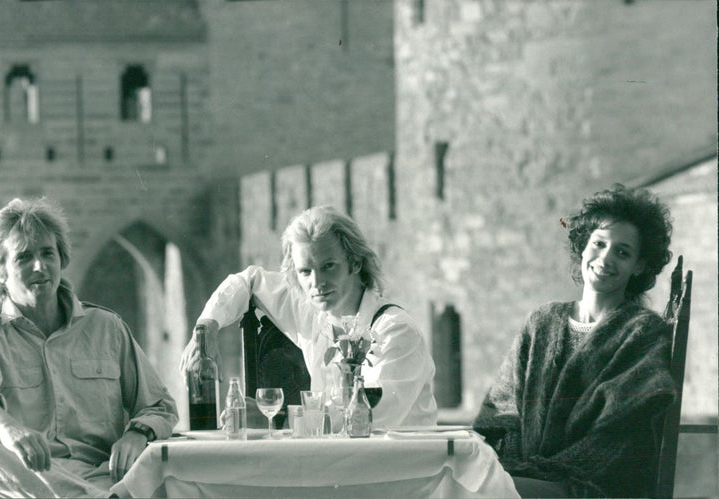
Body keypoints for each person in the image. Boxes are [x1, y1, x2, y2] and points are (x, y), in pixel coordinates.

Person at [0, 197, 178, 498]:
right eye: (23, 257)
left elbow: (160, 405)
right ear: (0, 272)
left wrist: (137, 433)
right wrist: (9, 429)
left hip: (106, 479)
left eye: (47, 254)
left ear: (62, 259)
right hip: (26, 484)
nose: (40, 266)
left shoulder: (107, 328)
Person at [473, 184, 677, 498]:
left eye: (622, 252)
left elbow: (621, 433)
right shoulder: (541, 321)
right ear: (583, 246)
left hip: (593, 487)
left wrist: (540, 474)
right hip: (525, 479)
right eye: (599, 243)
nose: (605, 258)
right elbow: (502, 413)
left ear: (638, 265)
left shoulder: (643, 333)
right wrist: (513, 468)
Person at [180, 205, 437, 427]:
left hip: (402, 472)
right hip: (336, 466)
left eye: (328, 267)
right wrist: (206, 330)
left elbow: (371, 416)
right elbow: (247, 281)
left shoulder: (395, 331)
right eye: (305, 271)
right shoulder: (308, 308)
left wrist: (277, 419)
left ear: (355, 263)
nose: (317, 283)